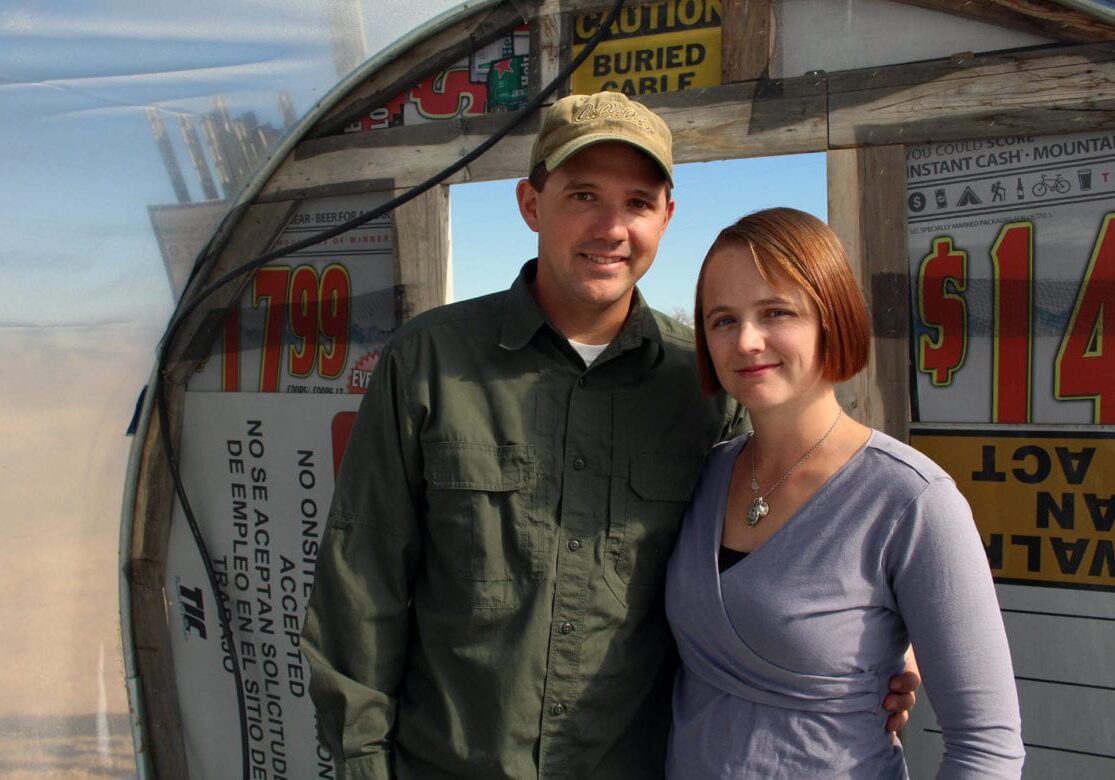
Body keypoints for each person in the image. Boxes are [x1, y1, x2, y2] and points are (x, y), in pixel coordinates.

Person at [300, 92, 918, 779]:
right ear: (531, 204)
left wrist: (889, 638)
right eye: (583, 195)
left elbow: (786, 541)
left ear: (666, 218)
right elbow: (361, 587)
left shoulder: (706, 385)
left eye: (637, 202)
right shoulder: (428, 362)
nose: (611, 227)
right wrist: (363, 765)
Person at [665, 207, 1024, 777]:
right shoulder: (705, 476)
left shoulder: (911, 500)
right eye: (722, 320)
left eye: (776, 311)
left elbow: (987, 747)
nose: (747, 341)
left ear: (832, 317)